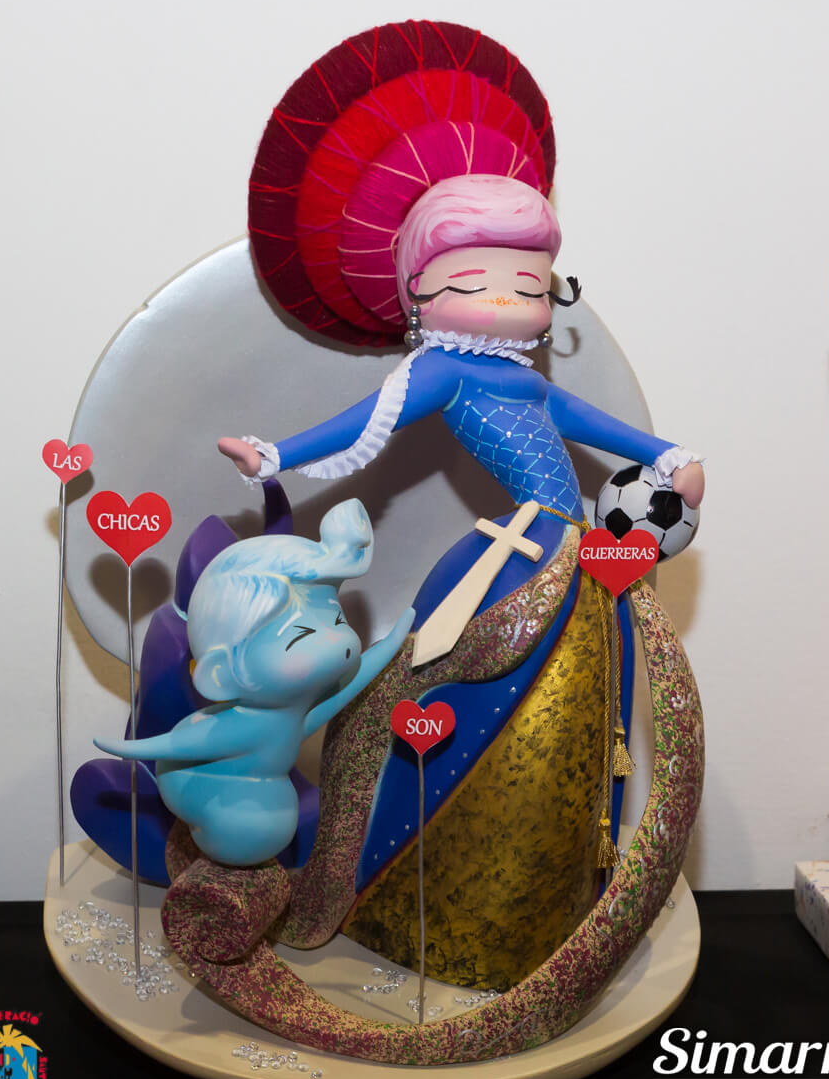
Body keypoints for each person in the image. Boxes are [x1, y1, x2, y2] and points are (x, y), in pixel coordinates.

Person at [215, 175, 705, 987]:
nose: (508, 297)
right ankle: (415, 885)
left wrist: (671, 458)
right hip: (517, 555)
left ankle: (547, 900)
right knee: (459, 701)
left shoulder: (531, 382)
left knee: (573, 725)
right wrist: (273, 456)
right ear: (418, 291)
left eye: (531, 284)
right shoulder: (440, 372)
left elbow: (607, 431)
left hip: (574, 557)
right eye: (475, 281)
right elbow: (363, 425)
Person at [94, 499, 414, 867]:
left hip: (254, 790)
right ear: (222, 673)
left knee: (271, 819)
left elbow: (346, 687)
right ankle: (233, 844)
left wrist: (390, 643)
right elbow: (177, 744)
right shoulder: (246, 726)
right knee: (258, 823)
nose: (338, 640)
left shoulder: (289, 715)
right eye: (301, 634)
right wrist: (128, 748)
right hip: (215, 794)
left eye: (337, 619)